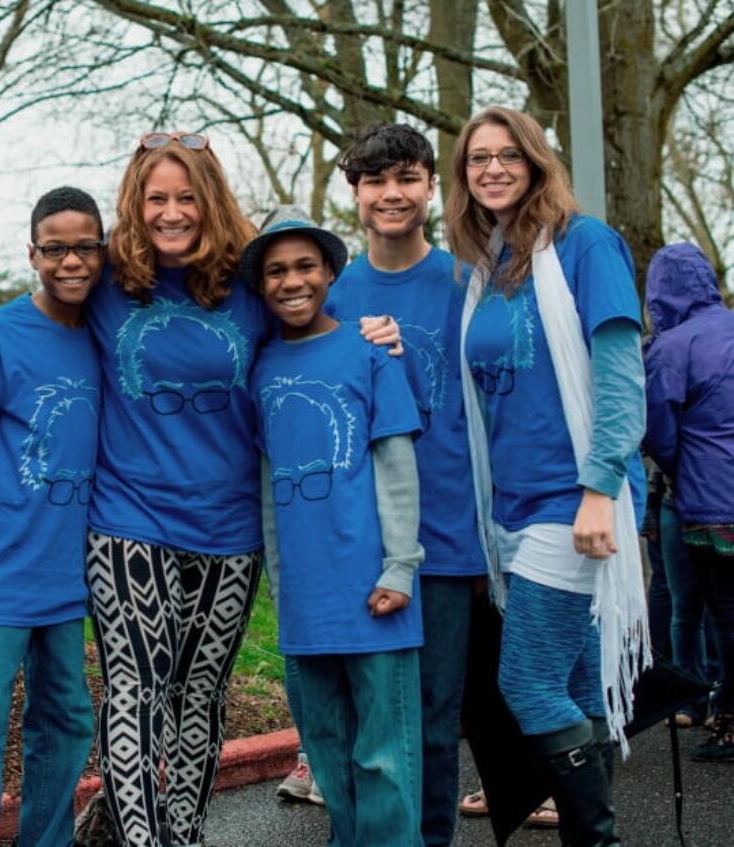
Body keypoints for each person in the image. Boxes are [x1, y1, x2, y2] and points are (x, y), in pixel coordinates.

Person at [0, 134, 399, 846]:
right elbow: (39, 307)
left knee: (200, 695)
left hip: (230, 531)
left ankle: (185, 833)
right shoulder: (107, 285)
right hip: (128, 518)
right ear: (136, 204)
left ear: (210, 201)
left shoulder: (252, 286)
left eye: (186, 196)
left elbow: (319, 313)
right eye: (156, 197)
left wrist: (376, 327)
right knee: (133, 688)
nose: (171, 211)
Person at [447, 106, 648, 846]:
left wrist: (602, 487)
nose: (492, 168)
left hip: (574, 501)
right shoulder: (491, 266)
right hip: (513, 505)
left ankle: (598, 839)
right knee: (570, 683)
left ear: (536, 163)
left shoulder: (585, 244)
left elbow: (622, 374)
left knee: (525, 681)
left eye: (508, 155)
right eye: (477, 159)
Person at [304, 122, 484, 844]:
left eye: (407, 178)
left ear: (432, 187)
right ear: (355, 192)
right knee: (362, 725)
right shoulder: (331, 295)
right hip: (356, 542)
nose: (392, 194)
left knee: (435, 724)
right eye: (376, 181)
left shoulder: (467, 282)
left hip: (448, 538)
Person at [243, 206, 425, 845]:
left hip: (376, 586)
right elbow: (267, 483)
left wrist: (401, 565)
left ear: (328, 273)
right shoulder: (259, 369)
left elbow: (396, 464)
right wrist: (279, 574)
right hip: (305, 598)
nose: (292, 281)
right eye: (276, 271)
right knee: (327, 754)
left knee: (384, 757)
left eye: (305, 267)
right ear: (260, 284)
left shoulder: (368, 352)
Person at [0, 187, 103, 846]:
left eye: (85, 246)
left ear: (103, 251)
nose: (71, 261)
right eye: (56, 248)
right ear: (32, 254)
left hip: (71, 575)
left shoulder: (107, 331)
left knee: (66, 719)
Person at [642, 242, 734, 761]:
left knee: (723, 611)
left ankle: (729, 721)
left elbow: (659, 433)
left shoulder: (672, 346)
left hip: (710, 502)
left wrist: (680, 471)